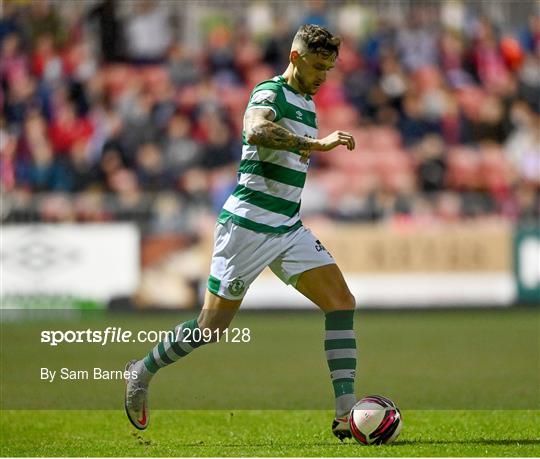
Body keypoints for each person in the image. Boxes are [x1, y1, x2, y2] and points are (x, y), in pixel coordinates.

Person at [124, 24, 357, 440]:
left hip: (287, 225)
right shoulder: (269, 91)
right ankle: (142, 370)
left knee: (341, 302)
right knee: (210, 328)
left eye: (330, 69)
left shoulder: (306, 101)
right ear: (295, 58)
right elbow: (255, 129)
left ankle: (346, 415)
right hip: (246, 227)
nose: (324, 76)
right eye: (318, 66)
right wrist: (317, 145)